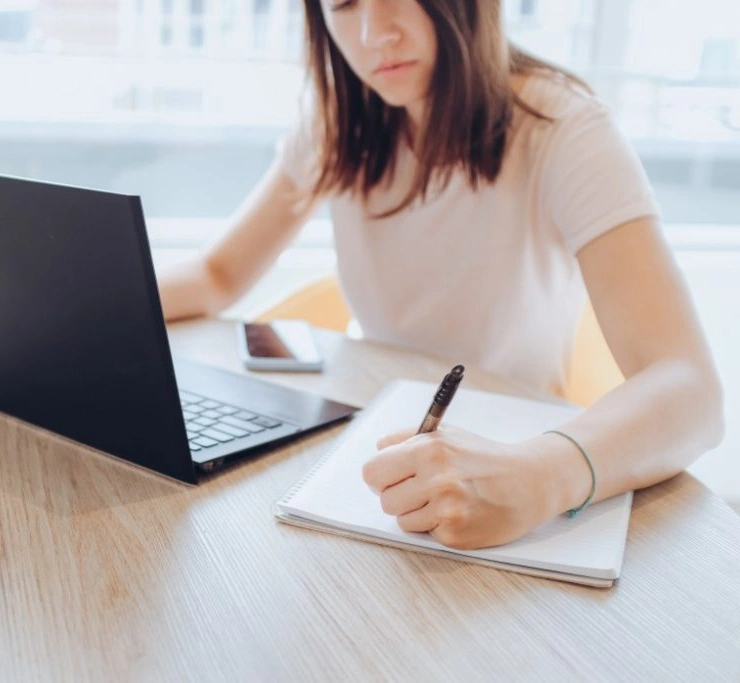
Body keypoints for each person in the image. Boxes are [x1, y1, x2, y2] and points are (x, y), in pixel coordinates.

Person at [156, 0, 724, 550]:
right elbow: (217, 273)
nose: (376, 33)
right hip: (374, 443)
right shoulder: (339, 119)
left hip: (513, 449)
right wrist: (88, 314)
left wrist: (540, 475)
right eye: (345, 3)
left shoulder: (562, 127)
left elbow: (691, 388)